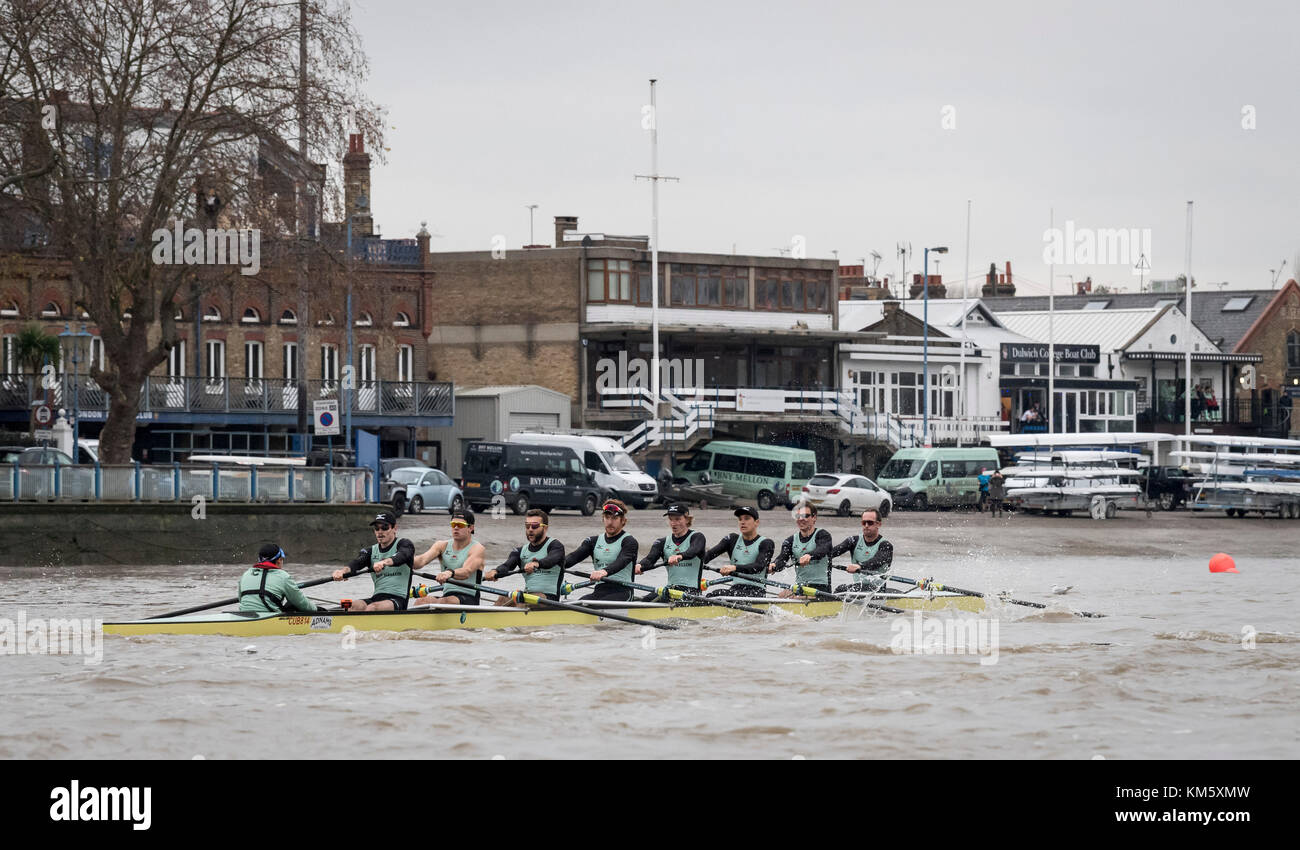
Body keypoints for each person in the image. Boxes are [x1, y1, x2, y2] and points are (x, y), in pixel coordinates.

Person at [331, 511, 416, 611]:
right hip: (376, 598)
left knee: (372, 608)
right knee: (352, 605)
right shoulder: (370, 551)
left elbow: (402, 555)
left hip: (398, 600)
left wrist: (384, 562)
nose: (380, 531)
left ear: (394, 528)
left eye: (384, 527)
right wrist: (343, 571)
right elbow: (356, 563)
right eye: (377, 528)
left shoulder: (404, 544)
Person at [483, 509, 566, 605]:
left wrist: (537, 564)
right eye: (527, 526)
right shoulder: (520, 551)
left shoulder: (555, 546)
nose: (530, 529)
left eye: (535, 526)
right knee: (503, 598)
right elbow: (507, 565)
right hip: (528, 595)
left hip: (549, 598)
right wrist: (495, 571)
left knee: (524, 601)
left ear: (545, 528)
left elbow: (551, 560)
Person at [563, 499, 638, 601]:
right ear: (603, 519)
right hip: (599, 590)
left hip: (623, 592)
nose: (610, 522)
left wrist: (604, 571)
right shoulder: (592, 541)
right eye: (607, 517)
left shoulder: (629, 541)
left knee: (593, 606)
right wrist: (545, 564)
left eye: (615, 518)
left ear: (623, 521)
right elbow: (572, 558)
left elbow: (622, 561)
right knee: (579, 602)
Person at [410, 510, 486, 606]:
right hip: (447, 597)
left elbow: (466, 572)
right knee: (421, 601)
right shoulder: (442, 545)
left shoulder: (477, 548)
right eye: (453, 524)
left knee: (445, 602)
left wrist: (450, 573)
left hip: (469, 597)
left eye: (460, 525)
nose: (456, 528)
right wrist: (405, 560)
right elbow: (421, 560)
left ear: (470, 528)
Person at [635, 504, 706, 601]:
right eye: (671, 519)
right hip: (670, 590)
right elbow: (650, 559)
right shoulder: (662, 542)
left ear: (687, 519)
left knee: (660, 599)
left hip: (691, 593)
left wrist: (680, 556)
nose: (673, 523)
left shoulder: (697, 537)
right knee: (644, 600)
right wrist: (640, 565)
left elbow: (693, 551)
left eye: (677, 519)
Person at [703, 506, 775, 598]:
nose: (742, 522)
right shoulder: (732, 539)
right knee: (712, 595)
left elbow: (758, 566)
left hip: (756, 591)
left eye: (747, 518)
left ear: (757, 522)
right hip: (735, 589)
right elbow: (708, 555)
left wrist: (734, 568)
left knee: (718, 593)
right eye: (740, 519)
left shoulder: (766, 543)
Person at [769, 502, 833, 597]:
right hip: (800, 587)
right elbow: (782, 559)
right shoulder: (790, 541)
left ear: (814, 517)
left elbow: (822, 549)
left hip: (821, 588)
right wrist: (774, 565)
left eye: (805, 516)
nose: (801, 519)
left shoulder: (823, 535)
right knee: (781, 596)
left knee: (794, 599)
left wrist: (809, 556)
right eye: (798, 516)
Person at [238, 543, 318, 613]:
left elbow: (241, 600)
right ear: (279, 560)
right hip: (269, 620)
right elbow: (301, 603)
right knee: (292, 604)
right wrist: (317, 609)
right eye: (282, 559)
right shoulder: (283, 577)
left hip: (244, 617)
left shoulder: (245, 574)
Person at [829, 509, 893, 595]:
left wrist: (860, 566)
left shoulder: (886, 545)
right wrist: (811, 556)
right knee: (841, 589)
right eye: (864, 523)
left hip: (878, 590)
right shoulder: (853, 541)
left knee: (843, 589)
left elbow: (876, 561)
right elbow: (832, 552)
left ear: (878, 524)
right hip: (859, 588)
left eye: (870, 523)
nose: (866, 526)